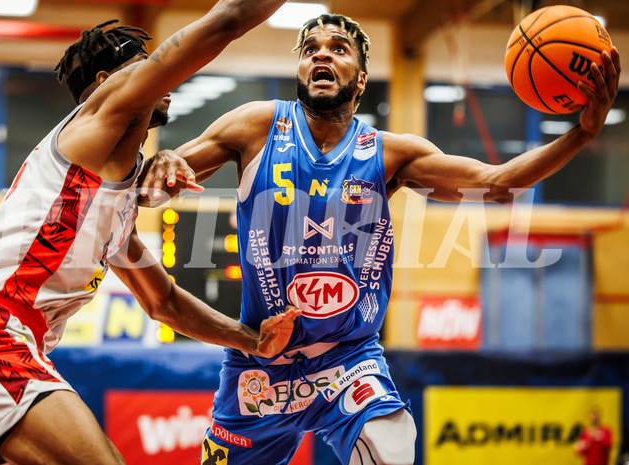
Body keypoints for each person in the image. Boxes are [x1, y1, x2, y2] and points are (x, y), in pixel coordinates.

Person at [142, 13, 622, 465]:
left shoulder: (390, 153)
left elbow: (496, 185)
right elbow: (147, 191)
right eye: (310, 48)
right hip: (261, 357)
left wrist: (580, 136)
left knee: (394, 444)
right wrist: (160, 166)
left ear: (361, 78)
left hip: (349, 358)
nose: (321, 55)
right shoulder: (257, 124)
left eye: (338, 48)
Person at [0, 1, 303, 464]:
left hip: (9, 337)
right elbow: (225, 21)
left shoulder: (114, 193)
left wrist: (250, 340)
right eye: (142, 67)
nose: (160, 78)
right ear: (108, 84)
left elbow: (162, 302)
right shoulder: (94, 123)